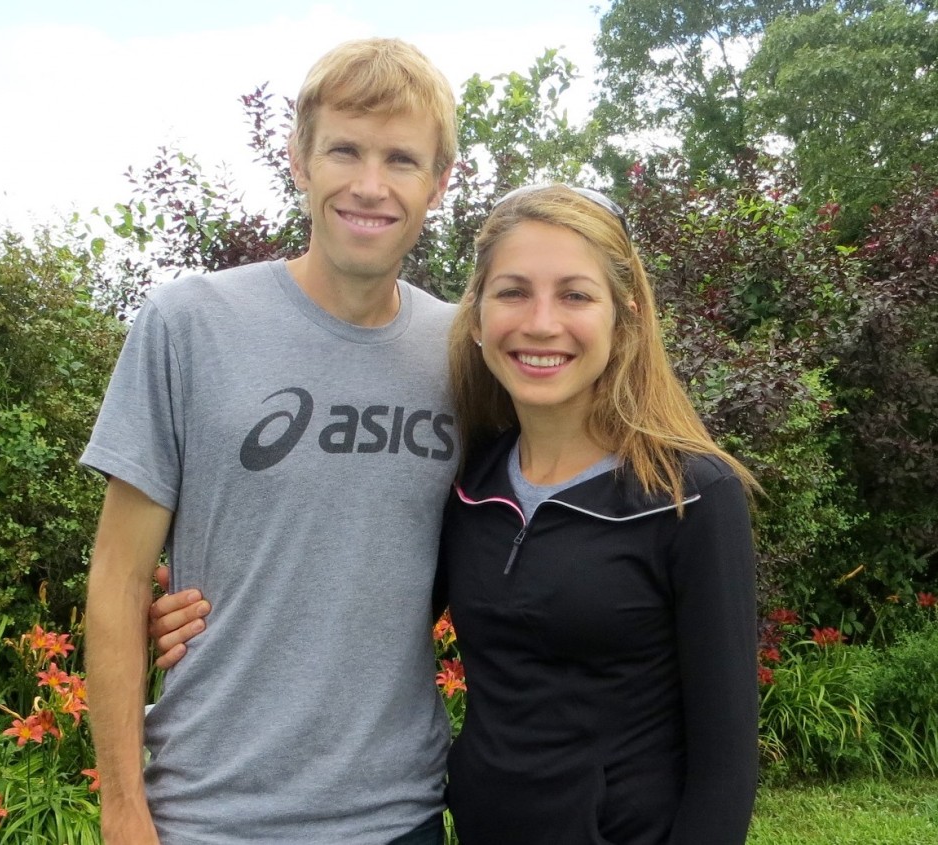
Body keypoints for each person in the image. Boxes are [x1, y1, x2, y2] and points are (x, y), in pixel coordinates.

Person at [156, 184, 761, 844]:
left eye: (575, 295)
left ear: (628, 316)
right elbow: (365, 607)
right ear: (475, 317)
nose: (540, 321)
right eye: (513, 291)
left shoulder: (691, 493)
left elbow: (725, 764)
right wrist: (195, 612)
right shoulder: (469, 483)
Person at [82, 38, 460, 845]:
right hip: (209, 816)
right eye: (344, 150)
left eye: (401, 158)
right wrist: (123, 812)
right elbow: (116, 581)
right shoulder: (189, 324)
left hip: (399, 817)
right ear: (299, 159)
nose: (369, 184)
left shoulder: (463, 353)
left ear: (440, 181)